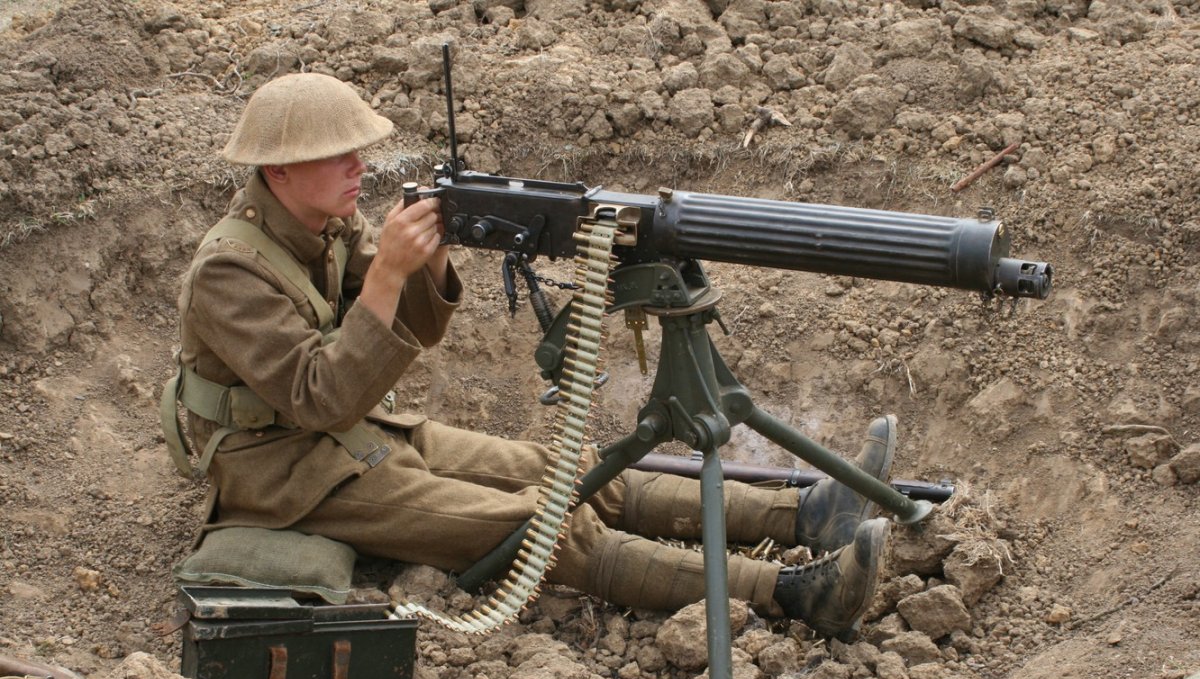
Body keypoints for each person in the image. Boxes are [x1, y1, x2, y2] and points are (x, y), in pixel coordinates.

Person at [161, 72, 895, 643]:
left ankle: (806, 515)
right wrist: (386, 273)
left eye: (358, 148)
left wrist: (430, 256)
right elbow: (321, 395)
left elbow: (408, 330)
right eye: (336, 154)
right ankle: (792, 593)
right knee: (537, 528)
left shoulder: (323, 222)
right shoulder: (229, 272)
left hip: (355, 436)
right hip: (284, 474)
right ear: (278, 172)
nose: (360, 164)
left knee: (570, 473)